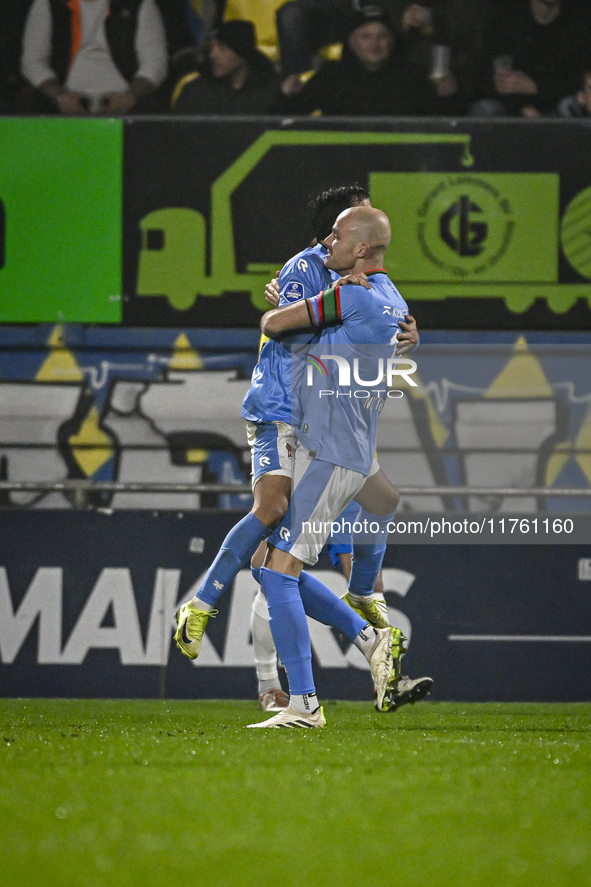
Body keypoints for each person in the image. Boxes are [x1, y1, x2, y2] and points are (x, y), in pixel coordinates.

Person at [250, 205, 414, 727]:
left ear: (360, 248)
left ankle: (300, 703)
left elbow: (277, 326)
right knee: (270, 563)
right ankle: (369, 624)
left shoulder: (352, 293)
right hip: (351, 451)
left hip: (329, 453)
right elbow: (389, 366)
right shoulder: (395, 302)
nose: (329, 241)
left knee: (276, 570)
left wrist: (281, 304)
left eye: (339, 235)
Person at [274, 5, 451, 116]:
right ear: (352, 41)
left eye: (382, 36)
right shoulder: (331, 76)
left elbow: (444, 119)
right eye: (365, 36)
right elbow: (285, 117)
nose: (374, 44)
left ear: (392, 40)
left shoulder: (414, 75)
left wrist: (448, 96)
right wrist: (286, 96)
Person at [19, 0, 168, 115]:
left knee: (152, 108)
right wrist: (60, 96)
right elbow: (32, 61)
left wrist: (128, 98)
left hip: (125, 101)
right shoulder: (49, 4)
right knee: (30, 102)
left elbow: (155, 63)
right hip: (62, 101)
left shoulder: (138, 3)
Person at [469, 0, 591, 118]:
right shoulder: (507, 16)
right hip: (514, 107)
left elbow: (580, 80)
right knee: (485, 108)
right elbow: (485, 79)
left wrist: (535, 87)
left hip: (557, 106)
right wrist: (521, 107)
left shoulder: (580, 17)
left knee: (570, 105)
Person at [172, 20, 281, 113]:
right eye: (211, 47)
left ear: (242, 53)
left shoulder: (270, 93)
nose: (213, 55)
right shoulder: (195, 94)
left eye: (222, 47)